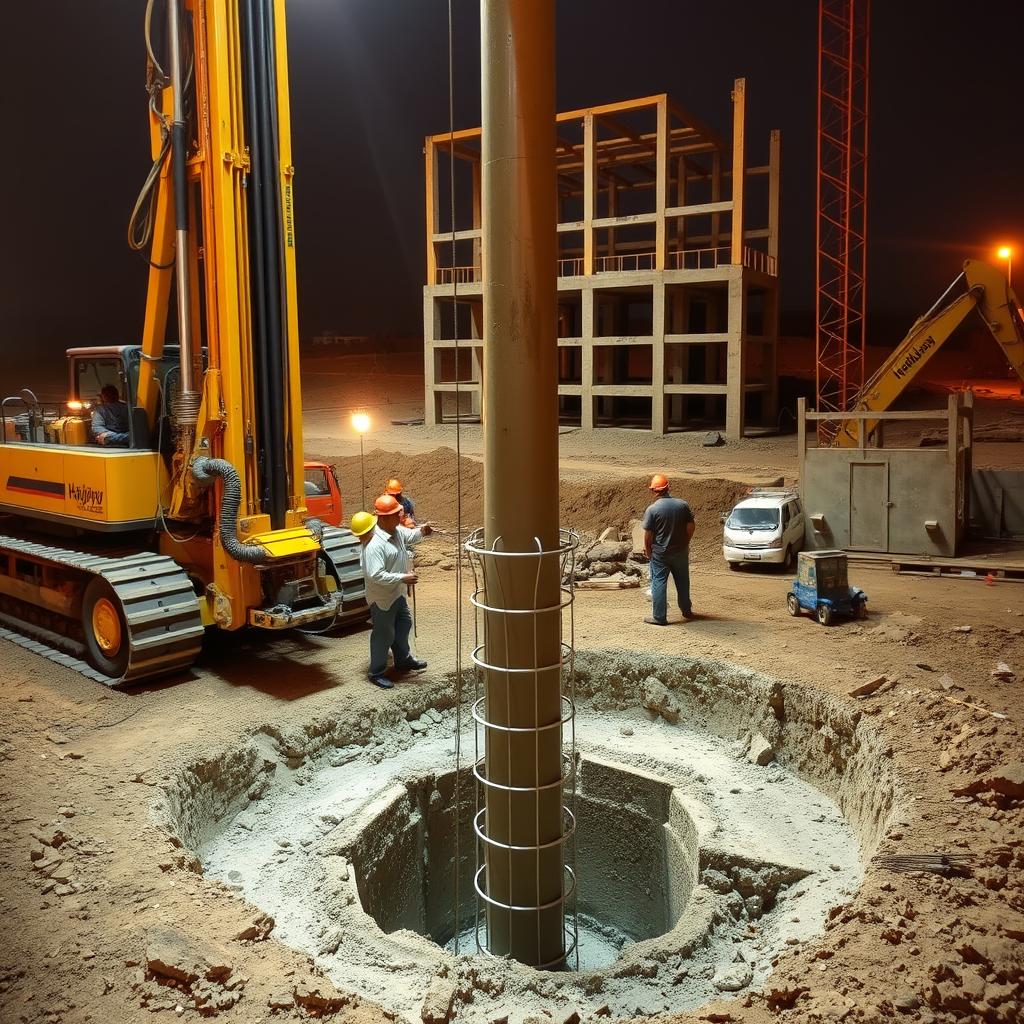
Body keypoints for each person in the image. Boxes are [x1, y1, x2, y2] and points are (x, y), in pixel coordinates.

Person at [361, 494, 433, 688]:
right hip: (382, 597)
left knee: (404, 624)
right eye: (395, 514)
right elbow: (375, 575)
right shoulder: (374, 544)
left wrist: (422, 531)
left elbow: (410, 536)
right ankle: (376, 672)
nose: (399, 517)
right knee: (383, 633)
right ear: (383, 518)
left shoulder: (396, 531)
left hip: (397, 592)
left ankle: (402, 660)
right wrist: (403, 577)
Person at [642, 473, 695, 626]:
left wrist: (649, 552)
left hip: (660, 553)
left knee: (658, 582)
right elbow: (691, 526)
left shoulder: (652, 510)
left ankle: (659, 617)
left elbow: (648, 535)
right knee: (683, 581)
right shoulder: (682, 505)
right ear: (668, 487)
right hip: (680, 551)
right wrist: (686, 542)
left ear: (653, 491)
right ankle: (686, 611)